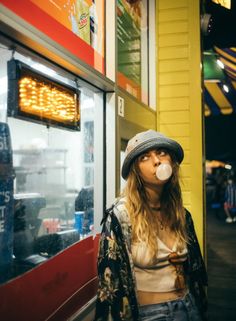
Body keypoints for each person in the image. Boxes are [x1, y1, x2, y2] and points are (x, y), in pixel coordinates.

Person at [94, 130, 208, 321]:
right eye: (145, 157)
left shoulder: (181, 214)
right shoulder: (120, 217)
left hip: (188, 306)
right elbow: (109, 285)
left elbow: (196, 270)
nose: (157, 161)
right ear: (135, 171)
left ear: (171, 161)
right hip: (149, 314)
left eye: (161, 152)